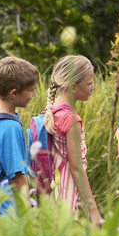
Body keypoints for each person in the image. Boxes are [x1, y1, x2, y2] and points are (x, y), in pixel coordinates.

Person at [43, 55, 102, 225]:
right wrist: (94, 211)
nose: (94, 87)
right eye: (89, 83)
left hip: (53, 195)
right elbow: (77, 170)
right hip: (70, 197)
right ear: (74, 87)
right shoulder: (71, 119)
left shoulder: (50, 114)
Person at [0, 56, 39, 216]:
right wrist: (28, 219)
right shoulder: (9, 127)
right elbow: (18, 179)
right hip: (5, 210)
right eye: (32, 89)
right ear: (14, 93)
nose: (34, 94)